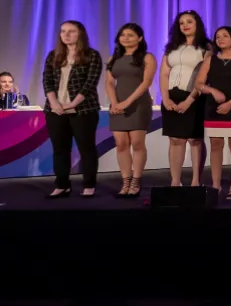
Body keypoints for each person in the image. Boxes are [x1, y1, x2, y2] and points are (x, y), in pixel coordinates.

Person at [42, 21, 103, 198]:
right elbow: (47, 81)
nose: (66, 35)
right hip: (55, 111)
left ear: (80, 34)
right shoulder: (53, 55)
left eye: (71, 31)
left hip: (83, 110)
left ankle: (89, 184)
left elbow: (90, 83)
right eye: (63, 31)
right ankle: (62, 185)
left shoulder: (92, 55)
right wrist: (54, 103)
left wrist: (72, 104)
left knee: (87, 148)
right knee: (60, 149)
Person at [194, 26, 231, 200]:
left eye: (224, 36)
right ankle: (216, 184)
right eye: (217, 36)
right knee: (216, 145)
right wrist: (212, 91)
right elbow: (199, 84)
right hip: (214, 109)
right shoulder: (210, 60)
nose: (220, 39)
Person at [104, 23, 157, 198]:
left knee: (137, 143)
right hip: (117, 105)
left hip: (138, 104)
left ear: (140, 38)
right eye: (123, 35)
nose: (126, 38)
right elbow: (110, 82)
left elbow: (146, 83)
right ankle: (125, 181)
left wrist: (127, 102)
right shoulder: (114, 58)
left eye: (131, 35)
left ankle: (136, 180)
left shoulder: (147, 57)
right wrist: (114, 102)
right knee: (121, 144)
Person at [159, 10, 210, 187]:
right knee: (175, 139)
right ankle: (175, 181)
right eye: (181, 23)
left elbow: (204, 76)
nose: (185, 25)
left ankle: (196, 181)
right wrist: (165, 99)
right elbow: (164, 73)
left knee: (194, 139)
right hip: (172, 96)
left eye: (189, 22)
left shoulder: (206, 47)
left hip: (194, 97)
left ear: (197, 25)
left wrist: (189, 101)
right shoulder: (171, 47)